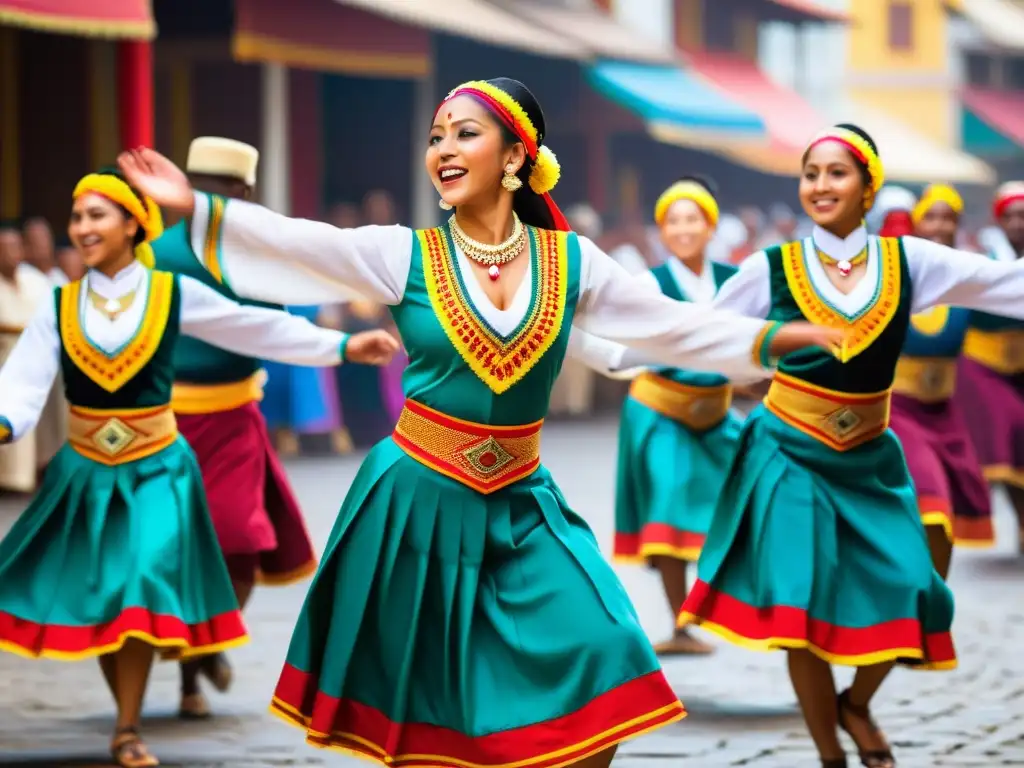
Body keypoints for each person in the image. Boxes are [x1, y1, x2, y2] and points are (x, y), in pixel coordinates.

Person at [119, 77, 837, 768]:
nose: (444, 149)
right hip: (417, 503)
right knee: (425, 710)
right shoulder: (403, 253)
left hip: (523, 501)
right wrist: (200, 210)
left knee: (611, 653)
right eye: (436, 137)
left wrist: (774, 341)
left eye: (465, 133)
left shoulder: (570, 262)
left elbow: (670, 328)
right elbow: (301, 244)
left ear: (517, 157)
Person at [0, 168, 395, 767]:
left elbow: (257, 327)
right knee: (112, 595)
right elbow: (22, 382)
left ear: (133, 224)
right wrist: (5, 421)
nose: (82, 228)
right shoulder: (60, 306)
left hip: (158, 466)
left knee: (141, 577)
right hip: (87, 473)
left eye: (97, 215)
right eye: (78, 217)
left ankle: (128, 728)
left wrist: (341, 346)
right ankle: (134, 709)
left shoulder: (168, 293)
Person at [677, 125, 1024, 768]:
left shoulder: (912, 261)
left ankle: (856, 703)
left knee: (918, 588)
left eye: (837, 173)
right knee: (798, 606)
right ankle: (829, 754)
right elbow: (704, 336)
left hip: (868, 456)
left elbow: (1010, 285)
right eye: (811, 174)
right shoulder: (771, 266)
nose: (820, 185)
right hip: (787, 454)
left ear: (869, 187)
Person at [150, 136, 398, 719]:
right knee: (178, 545)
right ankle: (189, 673)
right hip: (164, 422)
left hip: (236, 415)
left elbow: (275, 332)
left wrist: (338, 345)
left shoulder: (257, 264)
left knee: (237, 538)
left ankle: (209, 643)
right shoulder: (153, 256)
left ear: (241, 195)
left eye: (220, 191)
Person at [611, 177, 747, 656]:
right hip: (660, 410)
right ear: (662, 231)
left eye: (693, 219)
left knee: (745, 500)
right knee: (666, 505)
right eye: (673, 221)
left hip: (716, 413)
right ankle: (681, 624)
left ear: (710, 227)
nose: (684, 229)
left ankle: (742, 609)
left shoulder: (736, 280)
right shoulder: (649, 284)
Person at [889, 184, 993, 575]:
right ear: (917, 223)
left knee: (946, 511)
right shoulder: (894, 274)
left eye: (947, 218)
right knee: (931, 502)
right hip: (899, 410)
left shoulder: (972, 276)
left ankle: (933, 605)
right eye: (930, 216)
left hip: (947, 414)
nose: (939, 225)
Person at [954, 181, 1024, 552]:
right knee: (1012, 431)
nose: (1017, 223)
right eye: (1009, 216)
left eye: (1023, 216)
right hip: (986, 365)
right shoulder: (981, 261)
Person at [0, 223, 53, 493]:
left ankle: (34, 473)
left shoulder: (36, 280)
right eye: (3, 248)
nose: (9, 254)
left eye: (13, 247)